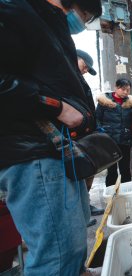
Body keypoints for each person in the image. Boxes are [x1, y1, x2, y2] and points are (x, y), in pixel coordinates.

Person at [0, 0, 102, 275]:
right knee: (57, 255)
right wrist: (55, 106)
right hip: (34, 152)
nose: (81, 21)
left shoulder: (49, 24)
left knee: (73, 245)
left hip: (59, 151)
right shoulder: (15, 11)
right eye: (84, 14)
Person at [76, 49, 104, 227]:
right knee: (80, 174)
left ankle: (85, 207)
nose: (86, 70)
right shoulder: (66, 76)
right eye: (85, 66)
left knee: (88, 174)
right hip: (77, 136)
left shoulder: (78, 79)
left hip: (86, 134)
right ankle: (81, 212)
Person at [96, 78, 132, 187]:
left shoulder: (130, 103)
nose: (125, 92)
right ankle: (111, 195)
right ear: (116, 87)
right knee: (111, 171)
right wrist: (101, 136)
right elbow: (97, 120)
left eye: (128, 90)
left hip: (124, 141)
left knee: (125, 169)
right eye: (123, 89)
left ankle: (126, 193)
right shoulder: (105, 102)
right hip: (109, 141)